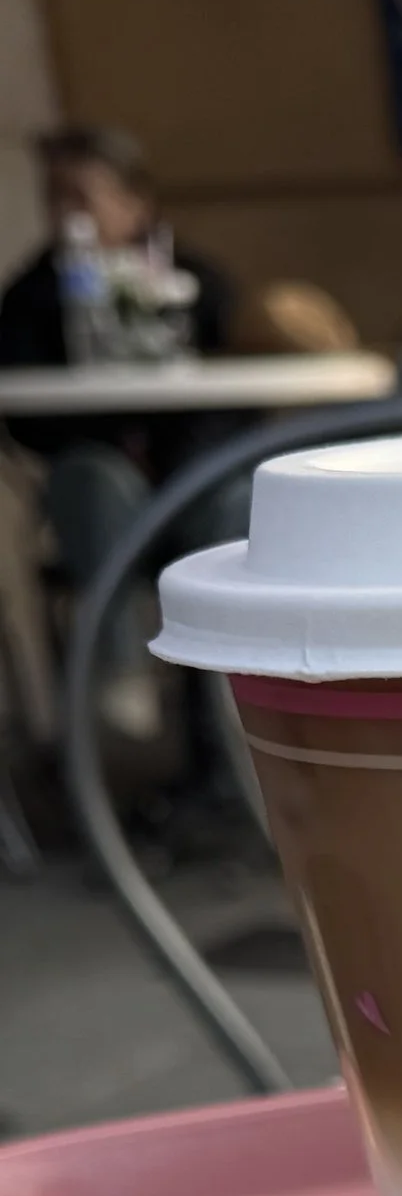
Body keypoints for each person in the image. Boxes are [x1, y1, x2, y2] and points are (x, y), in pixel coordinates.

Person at [0, 125, 242, 745]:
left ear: (136, 204)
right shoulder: (31, 297)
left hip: (189, 481)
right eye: (55, 198)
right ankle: (121, 666)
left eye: (83, 197)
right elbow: (24, 413)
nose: (67, 215)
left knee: (234, 496)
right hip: (102, 492)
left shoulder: (193, 281)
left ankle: (232, 693)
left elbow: (237, 391)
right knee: (94, 479)